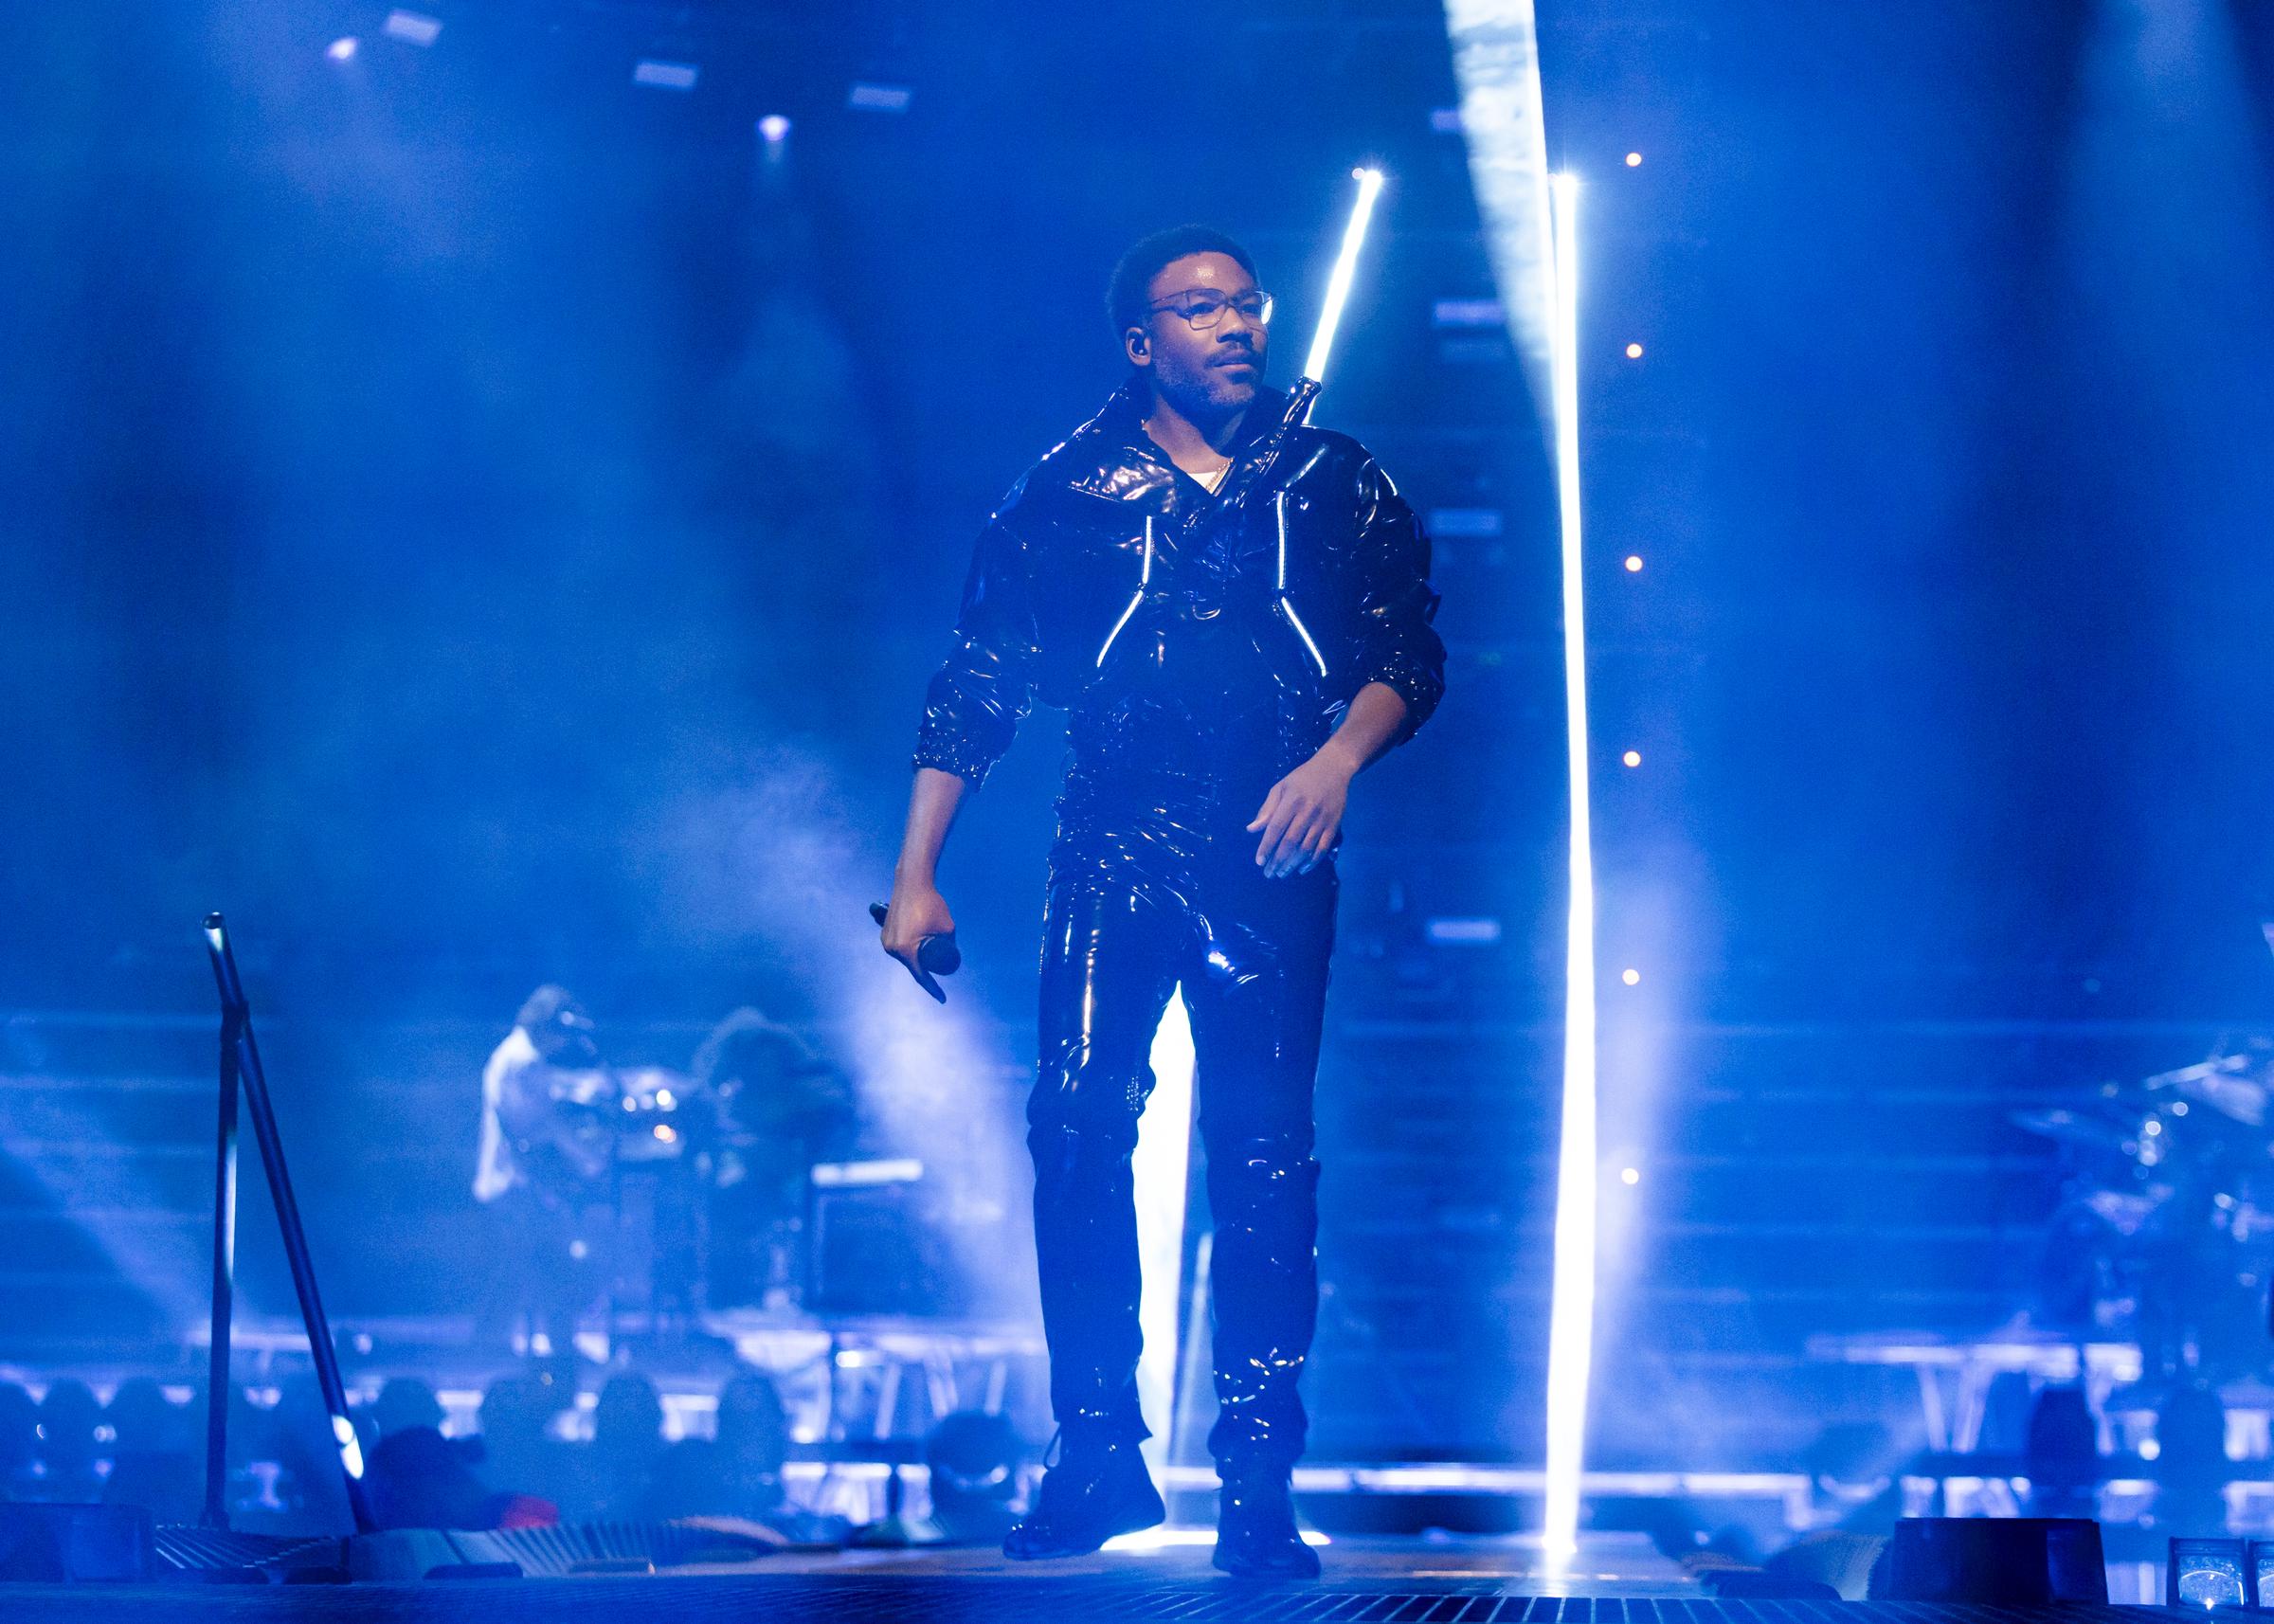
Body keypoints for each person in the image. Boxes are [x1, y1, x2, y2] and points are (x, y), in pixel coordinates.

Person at [880, 225, 1443, 1577]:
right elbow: (981, 676)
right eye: (1200, 309)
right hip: (1112, 842)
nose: (1235, 325)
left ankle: (1258, 1482)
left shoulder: (1335, 478)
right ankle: (1097, 1452)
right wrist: (915, 871)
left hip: (1269, 851)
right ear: (1143, 341)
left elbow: (1407, 650)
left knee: (1262, 1160)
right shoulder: (1067, 489)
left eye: (1246, 304)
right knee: (1072, 1122)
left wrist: (1338, 759)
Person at [473, 985, 613, 1354]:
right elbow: (538, 1126)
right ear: (547, 1028)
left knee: (521, 1270)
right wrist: (587, 1157)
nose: (564, 1045)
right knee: (551, 1267)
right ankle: (556, 1346)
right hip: (516, 1184)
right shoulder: (524, 1061)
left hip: (510, 1183)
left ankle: (491, 1343)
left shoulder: (517, 1054)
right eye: (562, 1035)